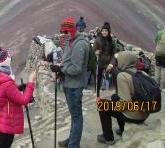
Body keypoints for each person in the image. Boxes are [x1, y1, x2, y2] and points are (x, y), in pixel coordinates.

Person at [0, 43, 36, 148]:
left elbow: (3, 94)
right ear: (6, 62)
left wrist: (17, 88)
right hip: (4, 126)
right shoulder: (7, 82)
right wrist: (31, 82)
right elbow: (23, 100)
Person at [50, 17, 89, 148]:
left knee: (76, 116)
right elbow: (68, 61)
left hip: (75, 85)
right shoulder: (71, 41)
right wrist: (60, 68)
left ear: (72, 30)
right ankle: (72, 140)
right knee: (74, 115)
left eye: (66, 32)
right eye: (63, 32)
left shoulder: (79, 44)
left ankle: (73, 145)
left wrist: (61, 69)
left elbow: (76, 68)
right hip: (69, 83)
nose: (64, 35)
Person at [97, 52, 150, 145]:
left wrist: (112, 106)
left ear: (124, 61)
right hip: (145, 112)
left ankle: (108, 137)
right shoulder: (142, 73)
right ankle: (122, 130)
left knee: (102, 104)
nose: (117, 63)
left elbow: (124, 104)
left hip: (136, 115)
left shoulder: (122, 76)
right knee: (114, 97)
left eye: (118, 61)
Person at [94, 22, 116, 93]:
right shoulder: (97, 40)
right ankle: (97, 95)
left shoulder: (112, 42)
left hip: (108, 63)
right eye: (103, 30)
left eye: (106, 31)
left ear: (108, 32)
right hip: (99, 62)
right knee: (98, 79)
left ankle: (117, 93)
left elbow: (114, 55)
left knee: (116, 74)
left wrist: (111, 64)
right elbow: (93, 50)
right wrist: (95, 52)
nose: (104, 32)